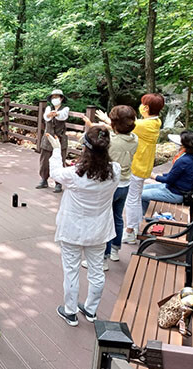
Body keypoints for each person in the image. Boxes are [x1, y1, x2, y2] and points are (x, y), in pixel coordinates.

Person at [48, 127, 120, 326]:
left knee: (71, 270)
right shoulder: (115, 170)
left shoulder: (75, 174)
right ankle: (90, 309)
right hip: (99, 230)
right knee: (96, 271)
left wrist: (56, 150)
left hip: (72, 229)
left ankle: (70, 311)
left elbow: (54, 173)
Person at [98, 93, 165, 244]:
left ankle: (130, 231)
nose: (141, 107)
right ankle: (133, 229)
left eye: (143, 104)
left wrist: (105, 119)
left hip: (137, 167)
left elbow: (123, 126)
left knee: (132, 200)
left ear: (146, 108)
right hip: (144, 166)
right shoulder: (156, 122)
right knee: (135, 197)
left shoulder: (144, 125)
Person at [81, 106, 138, 269]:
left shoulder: (112, 141)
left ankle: (102, 259)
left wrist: (94, 127)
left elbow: (101, 140)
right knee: (117, 217)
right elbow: (115, 132)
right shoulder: (134, 138)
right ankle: (114, 250)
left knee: (104, 220)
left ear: (114, 124)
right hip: (125, 183)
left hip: (110, 185)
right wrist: (108, 123)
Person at [142, 130, 193, 214]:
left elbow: (169, 179)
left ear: (183, 146)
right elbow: (175, 175)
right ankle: (143, 216)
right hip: (174, 188)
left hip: (176, 194)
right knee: (142, 189)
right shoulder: (189, 158)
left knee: (141, 195)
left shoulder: (183, 161)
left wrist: (153, 176)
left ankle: (143, 218)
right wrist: (162, 174)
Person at [36, 89, 70, 193]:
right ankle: (44, 179)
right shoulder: (48, 108)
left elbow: (63, 115)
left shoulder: (65, 108)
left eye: (57, 97)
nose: (55, 99)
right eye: (53, 97)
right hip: (47, 137)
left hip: (60, 139)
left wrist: (56, 114)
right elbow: (46, 117)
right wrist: (50, 114)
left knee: (60, 161)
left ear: (62, 98)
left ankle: (58, 183)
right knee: (44, 160)